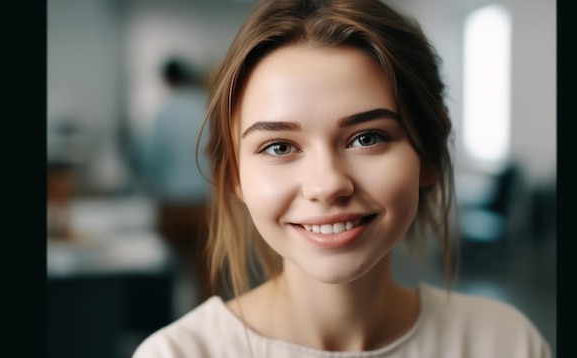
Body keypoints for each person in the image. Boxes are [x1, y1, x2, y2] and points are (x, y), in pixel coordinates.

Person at [133, 0, 552, 357]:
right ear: (235, 177)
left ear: (428, 155)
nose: (327, 184)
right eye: (279, 147)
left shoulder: (507, 343)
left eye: (367, 138)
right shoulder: (179, 353)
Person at [138, 57, 214, 315]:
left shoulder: (162, 113)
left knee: (170, 271)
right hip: (205, 204)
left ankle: (174, 326)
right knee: (206, 272)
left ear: (168, 80)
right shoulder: (207, 108)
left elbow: (149, 160)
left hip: (172, 205)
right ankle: (206, 327)